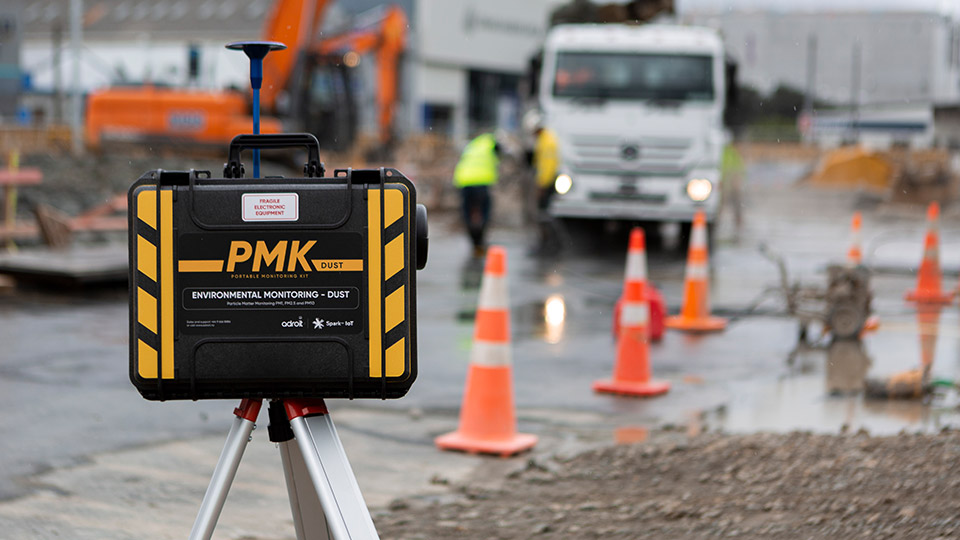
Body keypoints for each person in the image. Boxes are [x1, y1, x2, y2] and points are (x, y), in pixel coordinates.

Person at [453, 132, 500, 257]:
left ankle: (474, 241)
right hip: (482, 182)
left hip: (464, 182)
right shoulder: (491, 143)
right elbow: (502, 153)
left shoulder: (471, 146)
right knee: (485, 211)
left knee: (467, 213)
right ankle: (480, 238)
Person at [531, 124, 561, 255]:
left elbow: (547, 166)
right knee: (545, 213)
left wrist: (542, 185)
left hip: (547, 183)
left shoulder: (547, 141)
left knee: (544, 213)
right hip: (546, 181)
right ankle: (549, 243)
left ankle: (550, 244)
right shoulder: (545, 139)